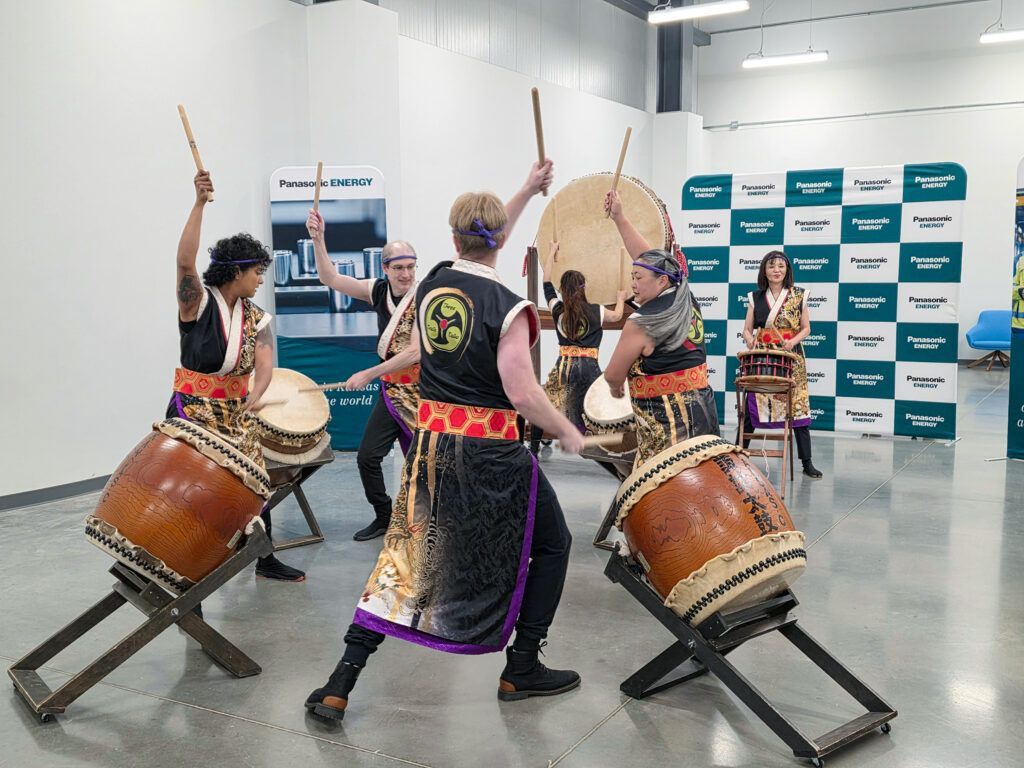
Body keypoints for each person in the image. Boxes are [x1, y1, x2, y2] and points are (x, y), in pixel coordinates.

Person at [304, 160, 586, 722]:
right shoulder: (509, 307)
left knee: (404, 557)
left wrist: (526, 188)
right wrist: (567, 430)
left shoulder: (431, 286)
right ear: (500, 241)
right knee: (552, 545)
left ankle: (340, 681)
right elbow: (522, 392)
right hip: (491, 456)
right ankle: (522, 666)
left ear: (453, 237)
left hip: (431, 450)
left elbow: (483, 234)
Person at [172, 170, 305, 582]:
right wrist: (198, 203)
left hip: (236, 410)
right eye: (257, 271)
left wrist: (257, 393)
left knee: (255, 485)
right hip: (194, 410)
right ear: (236, 271)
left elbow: (263, 365)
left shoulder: (257, 316)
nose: (261, 278)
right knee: (197, 492)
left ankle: (263, 561)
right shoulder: (197, 303)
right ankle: (187, 567)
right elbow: (184, 261)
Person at [307, 218, 420, 541]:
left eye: (411, 267)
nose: (406, 274)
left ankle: (425, 520)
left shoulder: (425, 297)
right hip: (392, 391)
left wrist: (368, 374)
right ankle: (384, 515)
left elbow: (415, 353)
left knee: (425, 462)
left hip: (423, 393)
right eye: (398, 267)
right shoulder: (378, 290)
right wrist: (319, 239)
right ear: (385, 268)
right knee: (368, 456)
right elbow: (329, 277)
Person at [601, 190, 720, 465]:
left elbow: (612, 374)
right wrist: (619, 217)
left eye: (638, 277)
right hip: (703, 411)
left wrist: (616, 388)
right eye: (632, 276)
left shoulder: (641, 322)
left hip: (666, 423)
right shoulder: (686, 297)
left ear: (662, 282)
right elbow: (650, 258)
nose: (633, 283)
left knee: (652, 494)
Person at [741, 250, 822, 479]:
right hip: (763, 356)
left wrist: (792, 341)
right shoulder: (754, 297)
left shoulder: (798, 295)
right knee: (752, 406)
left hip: (790, 357)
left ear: (787, 270)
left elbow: (806, 328)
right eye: (771, 266)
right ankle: (739, 456)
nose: (776, 270)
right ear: (764, 271)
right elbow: (747, 329)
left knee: (797, 407)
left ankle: (807, 463)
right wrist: (750, 340)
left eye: (781, 266)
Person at [537, 243, 626, 433]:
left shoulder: (557, 309)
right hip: (588, 367)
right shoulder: (596, 310)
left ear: (562, 289)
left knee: (543, 408)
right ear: (583, 288)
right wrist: (620, 298)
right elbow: (618, 316)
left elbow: (546, 284)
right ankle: (595, 443)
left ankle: (534, 451)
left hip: (564, 366)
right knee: (596, 407)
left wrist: (551, 252)